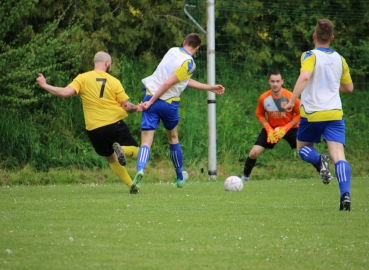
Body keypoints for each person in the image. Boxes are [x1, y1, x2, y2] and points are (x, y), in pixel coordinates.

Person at [129, 33, 225, 193]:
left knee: (146, 141)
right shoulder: (189, 63)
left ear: (184, 42)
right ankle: (180, 177)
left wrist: (210, 87)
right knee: (173, 138)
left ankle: (140, 170)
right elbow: (168, 83)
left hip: (150, 96)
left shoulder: (172, 51)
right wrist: (152, 101)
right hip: (168, 104)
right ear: (198, 48)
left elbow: (181, 81)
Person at [36, 51, 142, 194]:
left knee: (111, 158)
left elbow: (64, 93)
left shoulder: (83, 78)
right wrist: (137, 108)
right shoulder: (113, 81)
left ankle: (131, 185)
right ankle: (123, 149)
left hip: (94, 129)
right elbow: (126, 106)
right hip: (113, 124)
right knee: (138, 152)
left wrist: (45, 85)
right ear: (107, 63)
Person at [284, 19, 354, 211]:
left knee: (302, 149)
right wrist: (332, 83)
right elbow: (349, 88)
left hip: (312, 113)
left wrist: (291, 101)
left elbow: (305, 77)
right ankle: (345, 195)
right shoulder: (340, 59)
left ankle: (318, 160)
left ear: (314, 36)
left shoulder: (309, 56)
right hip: (334, 114)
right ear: (332, 38)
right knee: (339, 156)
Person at [240, 70, 300, 182]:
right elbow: (259, 114)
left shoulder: (291, 96)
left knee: (305, 151)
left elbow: (300, 114)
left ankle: (324, 173)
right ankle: (245, 177)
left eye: (277, 81)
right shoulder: (264, 98)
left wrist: (286, 128)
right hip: (271, 129)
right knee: (253, 153)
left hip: (291, 128)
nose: (275, 84)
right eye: (273, 81)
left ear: (282, 82)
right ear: (269, 82)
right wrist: (268, 128)